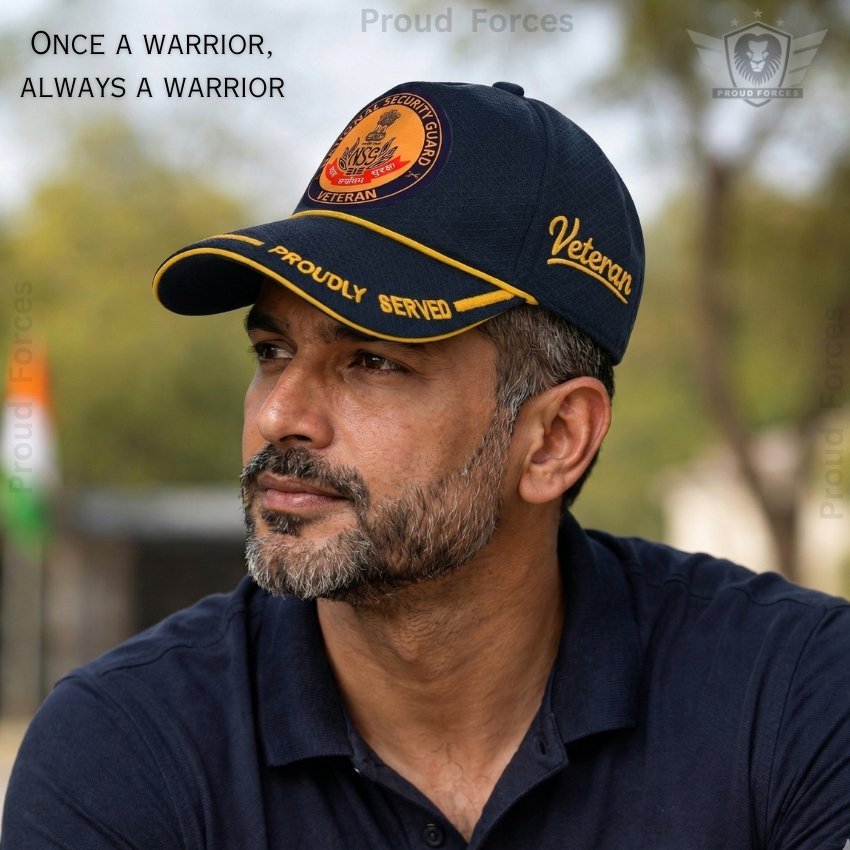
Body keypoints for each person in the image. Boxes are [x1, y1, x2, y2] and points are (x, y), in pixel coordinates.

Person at [3, 80, 849, 849]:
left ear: (556, 439)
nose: (278, 415)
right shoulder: (123, 746)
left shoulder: (796, 693)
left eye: (372, 361)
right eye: (272, 350)